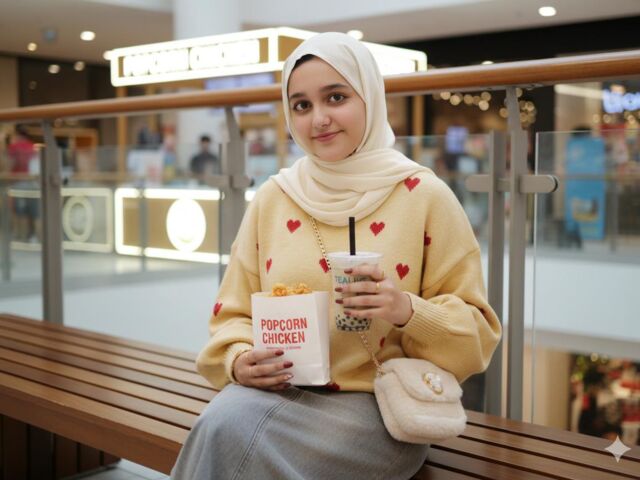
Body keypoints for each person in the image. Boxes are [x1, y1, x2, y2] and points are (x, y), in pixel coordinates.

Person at [171, 32, 502, 479]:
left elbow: (476, 332)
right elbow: (232, 312)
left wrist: (405, 309)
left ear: (369, 97)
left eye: (336, 97)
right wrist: (239, 358)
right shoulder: (274, 198)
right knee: (220, 426)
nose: (319, 119)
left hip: (378, 405)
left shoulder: (425, 196)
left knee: (239, 444)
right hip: (273, 393)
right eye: (301, 105)